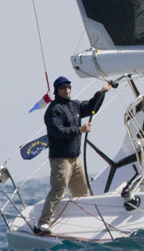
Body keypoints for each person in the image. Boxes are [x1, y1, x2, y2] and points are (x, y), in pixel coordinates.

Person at [36, 76, 114, 233]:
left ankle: (87, 222)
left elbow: (92, 107)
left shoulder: (75, 105)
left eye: (68, 87)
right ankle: (42, 223)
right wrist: (79, 130)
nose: (66, 90)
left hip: (75, 158)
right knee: (58, 190)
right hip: (61, 159)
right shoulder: (54, 110)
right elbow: (58, 132)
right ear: (57, 91)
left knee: (82, 193)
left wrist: (102, 92)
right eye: (63, 88)